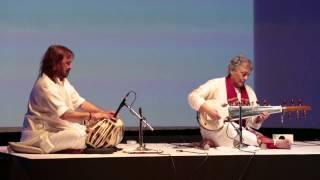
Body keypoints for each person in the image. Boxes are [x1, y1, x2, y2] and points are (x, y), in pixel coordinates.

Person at [16, 45, 117, 153]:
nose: (70, 67)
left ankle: (70, 147)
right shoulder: (45, 85)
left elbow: (80, 102)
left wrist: (104, 113)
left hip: (54, 130)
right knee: (79, 135)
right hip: (38, 136)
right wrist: (93, 116)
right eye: (67, 63)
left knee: (85, 131)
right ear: (55, 64)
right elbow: (65, 115)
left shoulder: (61, 81)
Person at [188, 55, 291, 149]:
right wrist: (208, 110)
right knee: (233, 129)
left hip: (238, 132)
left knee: (240, 131)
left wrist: (259, 119)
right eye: (243, 74)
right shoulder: (216, 84)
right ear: (231, 70)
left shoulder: (249, 92)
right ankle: (272, 143)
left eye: (248, 75)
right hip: (214, 129)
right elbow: (193, 96)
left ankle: (211, 143)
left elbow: (251, 124)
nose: (246, 78)